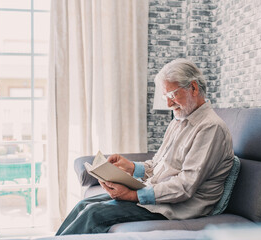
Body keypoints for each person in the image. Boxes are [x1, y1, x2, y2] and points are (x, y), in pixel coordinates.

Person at [56, 59, 235, 235]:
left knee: (92, 214)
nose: (168, 104)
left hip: (179, 207)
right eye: (166, 97)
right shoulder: (178, 122)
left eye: (172, 95)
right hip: (160, 198)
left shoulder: (210, 128)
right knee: (83, 205)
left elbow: (185, 187)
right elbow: (159, 164)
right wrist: (132, 167)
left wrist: (132, 195)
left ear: (193, 88)